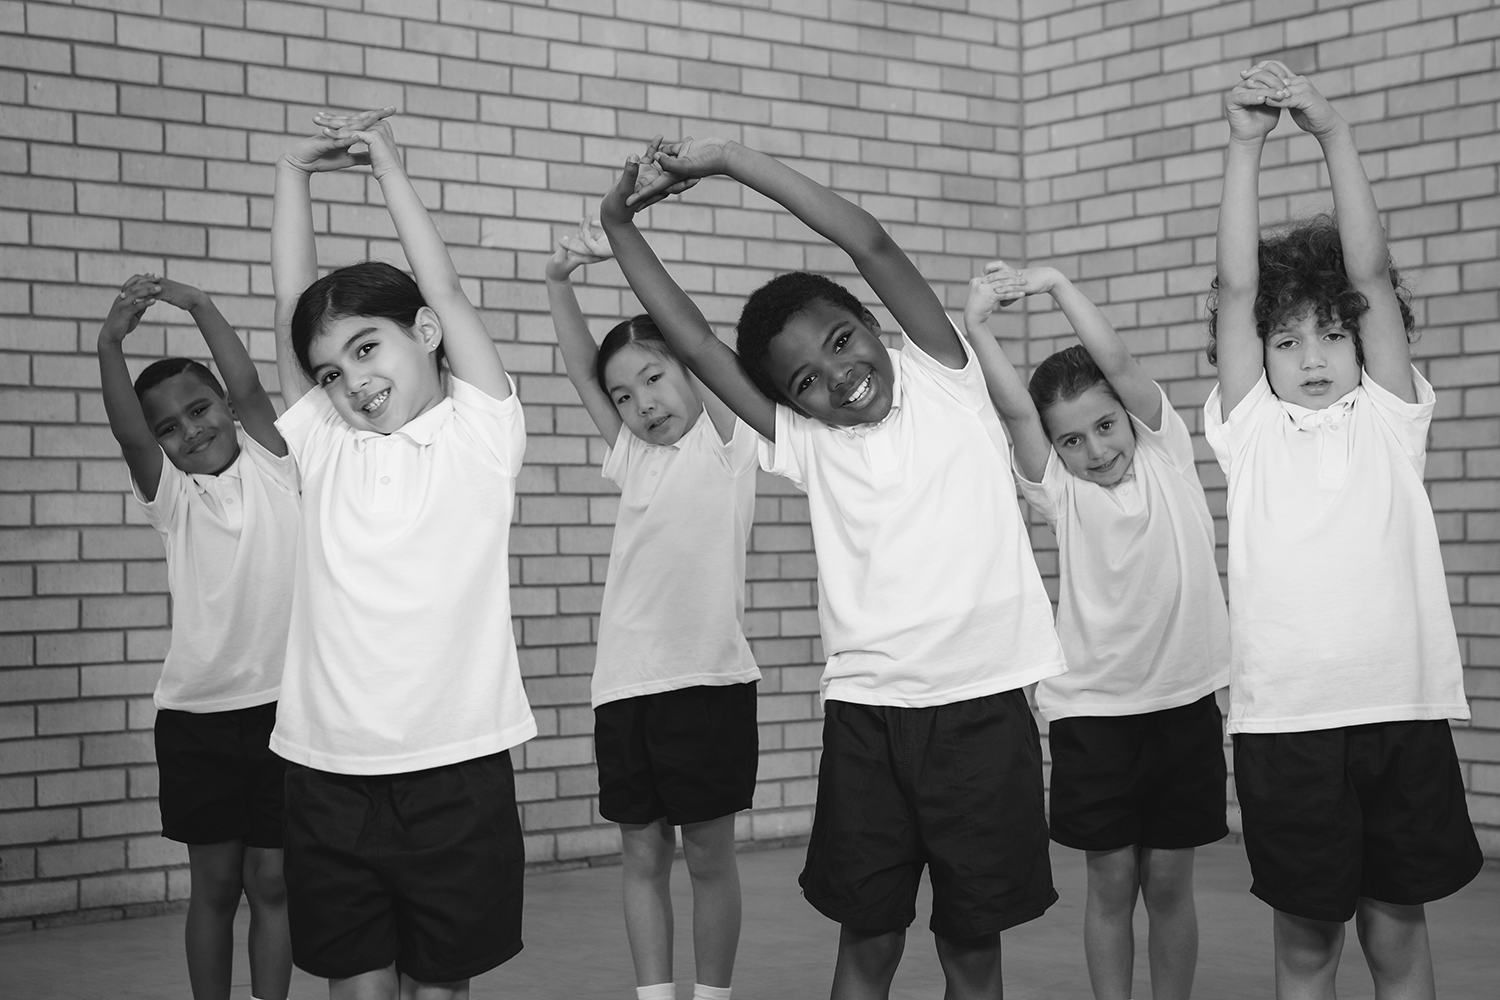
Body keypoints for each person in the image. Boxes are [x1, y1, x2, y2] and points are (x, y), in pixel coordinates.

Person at [601, 137, 1066, 1000]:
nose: (840, 378)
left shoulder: (943, 374)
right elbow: (697, 345)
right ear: (789, 402)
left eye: (845, 342)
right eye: (806, 380)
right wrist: (617, 223)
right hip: (869, 722)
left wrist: (732, 162)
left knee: (973, 947)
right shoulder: (804, 445)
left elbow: (871, 244)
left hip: (982, 713)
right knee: (868, 941)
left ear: (871, 324)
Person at [1207, 61, 1482, 999]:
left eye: (1332, 334)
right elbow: (1238, 288)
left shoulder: (1389, 417)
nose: (1312, 356)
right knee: (1308, 946)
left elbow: (1367, 270)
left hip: (1399, 717)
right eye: (1287, 340)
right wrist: (1246, 146)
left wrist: (1333, 135)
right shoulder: (1249, 434)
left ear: (1366, 342)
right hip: (1291, 730)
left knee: (1397, 933)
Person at [269, 108, 534, 1000]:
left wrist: (386, 167)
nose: (351, 381)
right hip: (329, 770)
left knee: (438, 986)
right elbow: (291, 309)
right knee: (358, 986)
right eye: (331, 371)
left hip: (454, 769)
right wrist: (292, 175)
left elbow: (447, 291)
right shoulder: (323, 442)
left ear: (423, 335)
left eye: (366, 347)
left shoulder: (479, 438)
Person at [964, 263, 1230, 1000]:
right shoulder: (1061, 492)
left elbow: (1116, 360)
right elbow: (1018, 414)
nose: (1096, 450)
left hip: (1183, 704)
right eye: (1072, 441)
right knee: (1112, 880)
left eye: (1105, 425)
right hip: (1094, 714)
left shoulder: (1166, 454)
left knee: (1170, 880)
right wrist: (979, 326)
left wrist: (1054, 284)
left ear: (1132, 416)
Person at [546, 219, 761, 1000]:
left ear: (689, 374)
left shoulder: (730, 440)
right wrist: (559, 283)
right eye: (624, 396)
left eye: (655, 379)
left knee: (708, 856)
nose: (642, 404)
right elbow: (580, 369)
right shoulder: (632, 454)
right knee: (642, 855)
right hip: (627, 688)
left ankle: (712, 995)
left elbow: (694, 336)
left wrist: (627, 256)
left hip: (708, 682)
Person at [98, 275, 297, 1000]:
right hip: (197, 721)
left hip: (283, 713)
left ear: (226, 409)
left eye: (199, 409)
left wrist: (198, 304)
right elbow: (127, 431)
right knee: (215, 885)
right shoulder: (173, 498)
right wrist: (110, 340)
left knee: (272, 879)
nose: (191, 431)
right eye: (170, 428)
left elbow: (247, 387)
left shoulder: (275, 464)